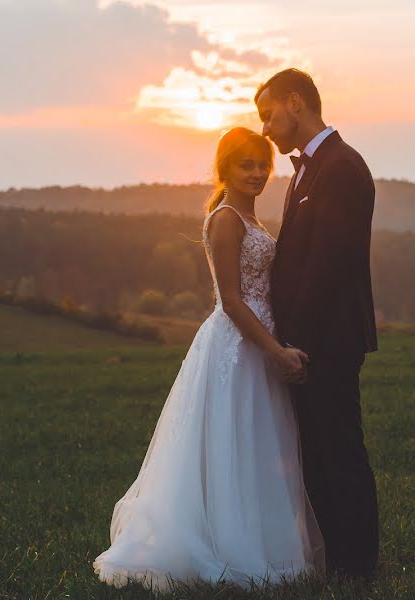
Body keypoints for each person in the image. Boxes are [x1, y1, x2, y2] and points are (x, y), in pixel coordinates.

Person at [92, 127, 324, 591]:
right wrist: (275, 350)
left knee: (259, 444)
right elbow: (233, 301)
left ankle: (262, 540)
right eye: (247, 165)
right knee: (231, 441)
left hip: (259, 341)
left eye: (263, 165)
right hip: (238, 346)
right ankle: (225, 546)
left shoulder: (250, 218)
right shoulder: (225, 220)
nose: (258, 173)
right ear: (225, 169)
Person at [255, 68, 379, 578]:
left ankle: (358, 570)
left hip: (327, 340)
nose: (264, 128)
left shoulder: (343, 167)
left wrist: (296, 343)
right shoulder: (310, 167)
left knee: (340, 452)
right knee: (318, 457)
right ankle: (337, 562)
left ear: (295, 102)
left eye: (268, 115)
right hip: (309, 341)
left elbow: (331, 264)